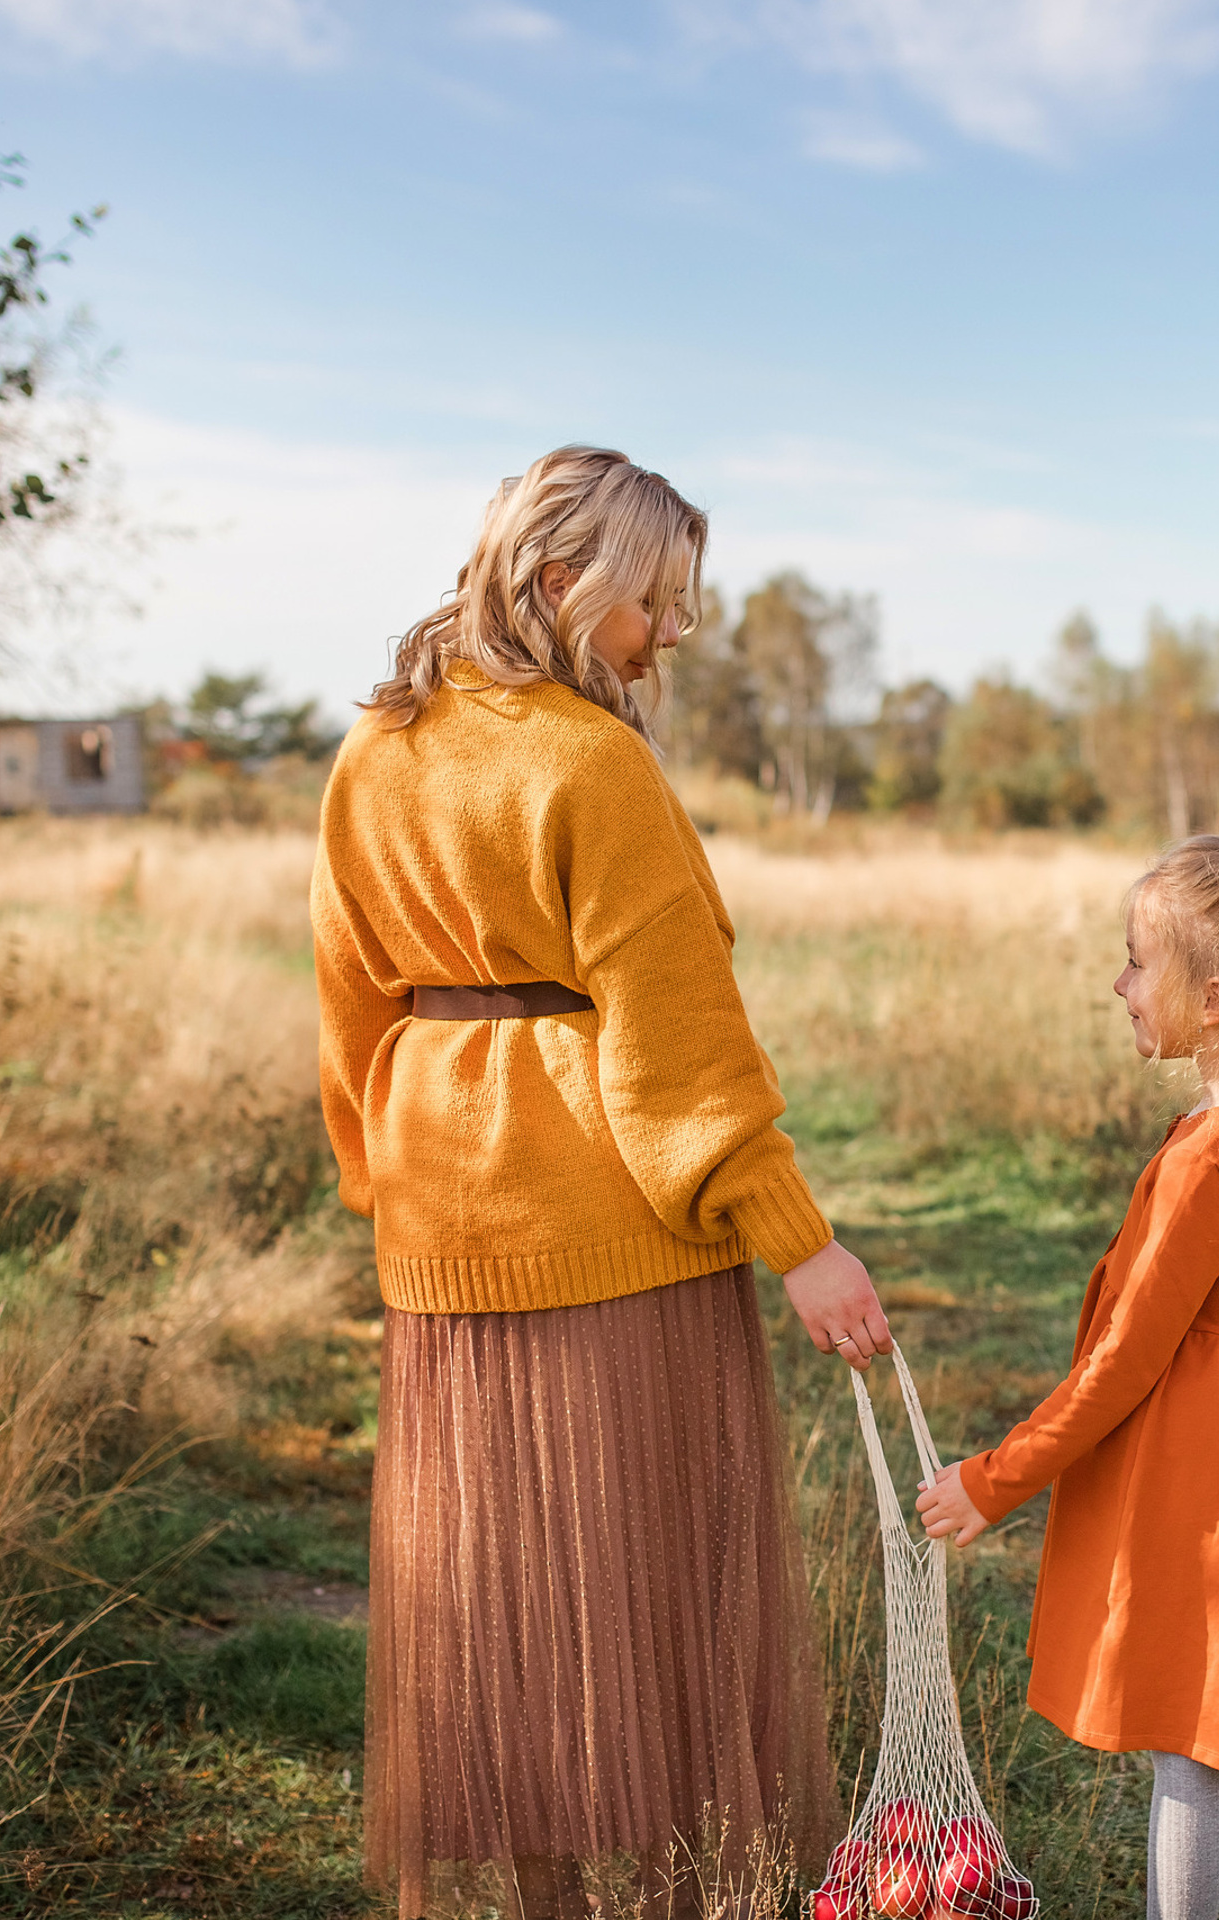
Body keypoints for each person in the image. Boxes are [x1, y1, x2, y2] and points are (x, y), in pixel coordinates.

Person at [310, 446, 888, 1919]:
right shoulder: (591, 761)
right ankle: (685, 1899)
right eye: (656, 601)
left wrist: (387, 1185)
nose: (672, 634)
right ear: (561, 579)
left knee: (497, 1601)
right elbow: (677, 1042)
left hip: (446, 1235)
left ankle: (552, 1902)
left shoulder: (373, 753)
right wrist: (798, 1239)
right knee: (652, 1598)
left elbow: (351, 1005)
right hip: (615, 1242)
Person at [917, 818, 1219, 1920]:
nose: (1117, 982)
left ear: (1214, 1001)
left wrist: (992, 1480)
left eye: (1135, 960)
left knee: (1188, 1758)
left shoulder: (1213, 1160)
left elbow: (1123, 1364)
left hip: (1205, 1506)